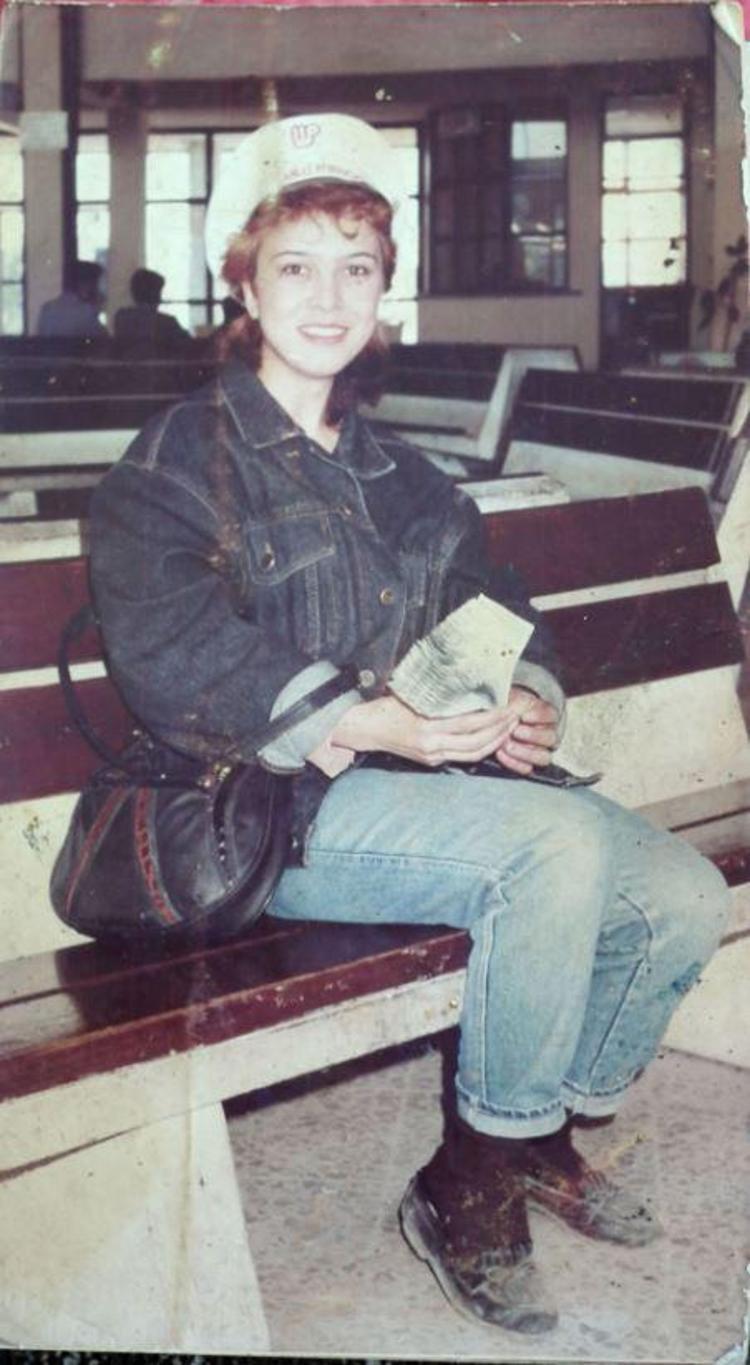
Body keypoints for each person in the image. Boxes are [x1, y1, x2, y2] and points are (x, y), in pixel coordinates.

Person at [89, 113, 730, 1335]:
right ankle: (469, 1185)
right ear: (245, 282)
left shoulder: (404, 475)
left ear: (386, 289)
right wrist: (367, 723)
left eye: (358, 268)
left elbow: (495, 608)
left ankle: (534, 1131)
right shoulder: (178, 461)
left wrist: (526, 695)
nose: (327, 297)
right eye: (296, 266)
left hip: (424, 793)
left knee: (680, 896)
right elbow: (175, 651)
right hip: (265, 813)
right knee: (553, 850)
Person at [113, 267, 191, 354]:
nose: (160, 298)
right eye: (159, 293)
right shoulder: (166, 322)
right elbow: (188, 345)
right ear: (155, 294)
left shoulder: (122, 317)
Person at [36, 259, 108, 339]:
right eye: (96, 285)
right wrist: (96, 309)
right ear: (86, 285)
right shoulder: (86, 314)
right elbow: (103, 341)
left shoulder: (47, 309)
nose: (99, 292)